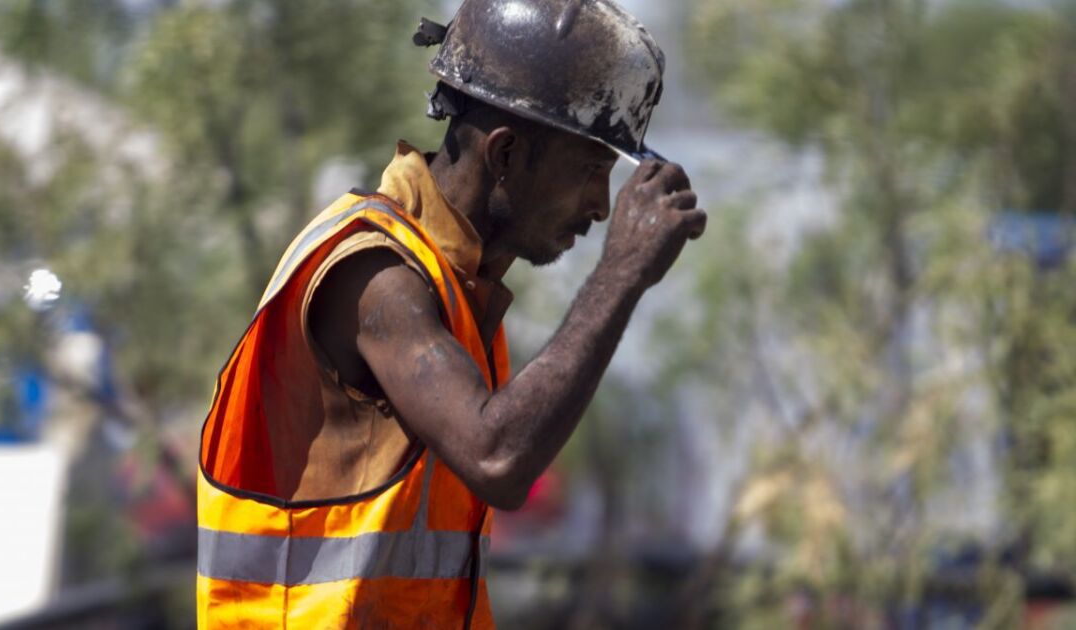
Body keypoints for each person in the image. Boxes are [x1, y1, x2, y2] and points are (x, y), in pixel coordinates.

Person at [196, 0, 707, 627]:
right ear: (506, 154)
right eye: (590, 171)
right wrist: (622, 271)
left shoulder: (457, 289)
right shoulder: (374, 273)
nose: (601, 207)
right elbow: (498, 459)